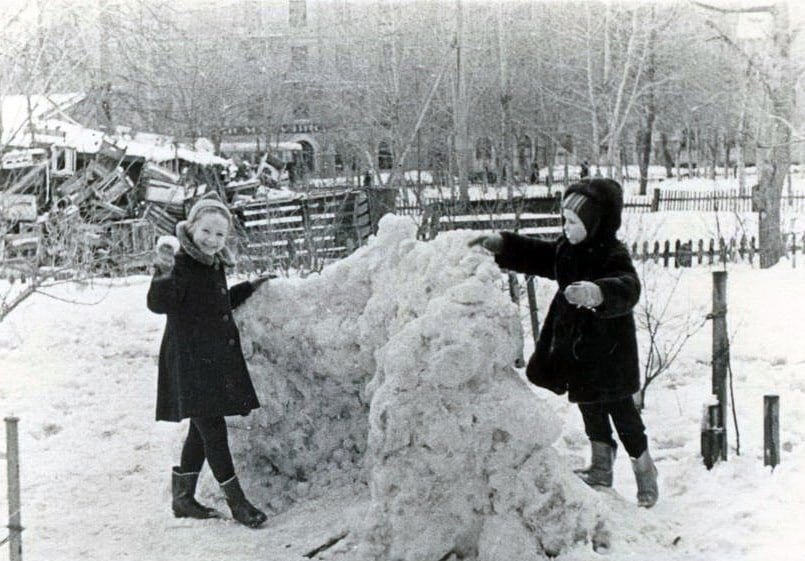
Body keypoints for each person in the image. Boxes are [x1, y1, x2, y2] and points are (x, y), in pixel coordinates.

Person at [468, 177, 658, 508]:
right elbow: (540, 255)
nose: (566, 228)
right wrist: (504, 245)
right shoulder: (567, 251)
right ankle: (601, 466)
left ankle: (644, 468)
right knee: (590, 410)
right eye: (564, 220)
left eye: (573, 222)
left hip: (610, 352)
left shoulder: (613, 254)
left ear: (595, 223)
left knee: (622, 412)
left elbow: (629, 286)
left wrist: (598, 293)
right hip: (579, 351)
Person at [147, 192, 270, 528]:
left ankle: (183, 498)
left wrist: (246, 288)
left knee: (202, 429)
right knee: (213, 430)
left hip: (208, 360)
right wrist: (163, 270)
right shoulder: (183, 263)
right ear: (191, 228)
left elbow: (213, 305)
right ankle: (238, 504)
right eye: (206, 232)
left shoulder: (212, 263)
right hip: (189, 361)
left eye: (220, 234)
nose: (212, 240)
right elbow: (159, 304)